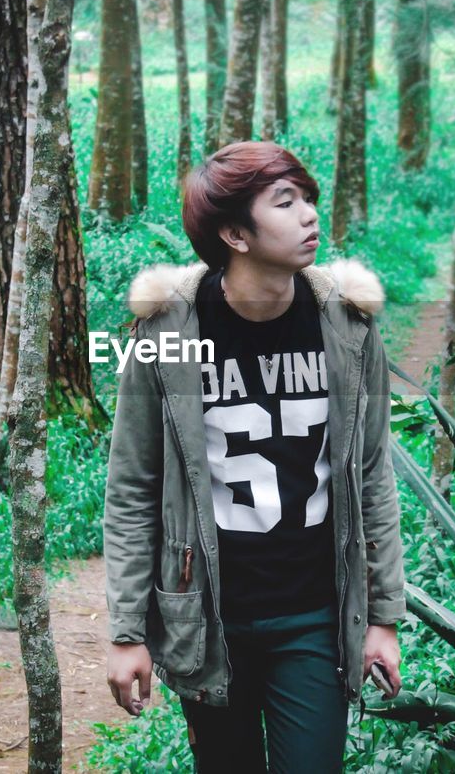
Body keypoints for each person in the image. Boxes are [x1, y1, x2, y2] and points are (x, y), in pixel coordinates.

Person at [103, 141, 407, 772]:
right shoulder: (169, 333)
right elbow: (132, 488)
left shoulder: (346, 327)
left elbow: (372, 476)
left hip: (314, 619)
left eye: (309, 199)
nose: (310, 217)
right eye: (286, 202)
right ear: (236, 233)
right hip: (209, 617)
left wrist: (383, 618)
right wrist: (128, 632)